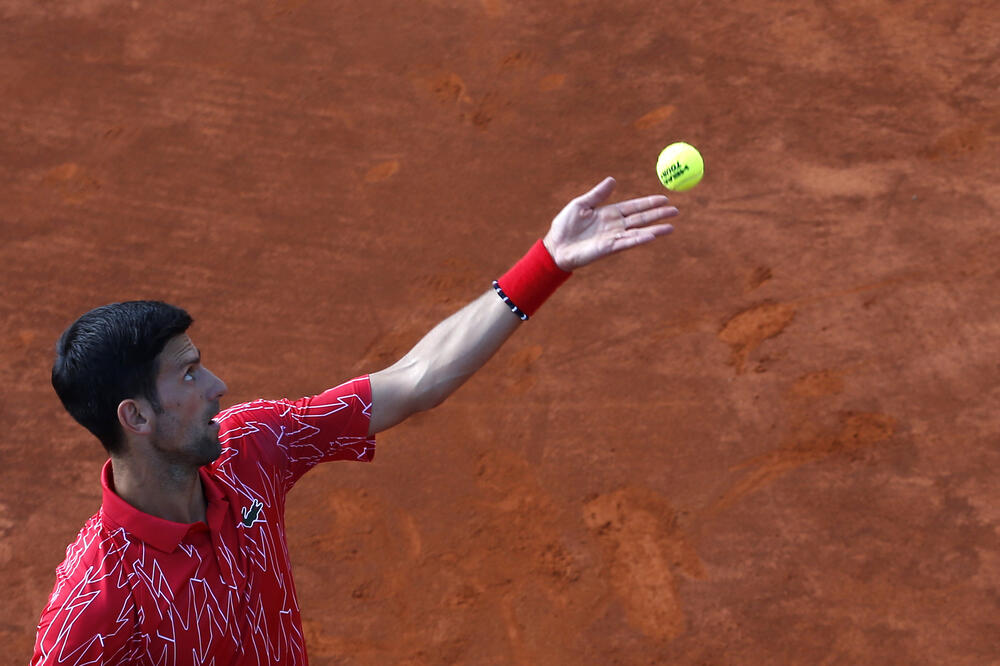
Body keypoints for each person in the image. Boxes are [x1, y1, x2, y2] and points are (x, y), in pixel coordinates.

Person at [31, 177, 678, 665]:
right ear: (135, 415)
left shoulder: (251, 447)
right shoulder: (96, 600)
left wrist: (547, 264)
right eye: (191, 375)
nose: (218, 386)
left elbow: (414, 381)